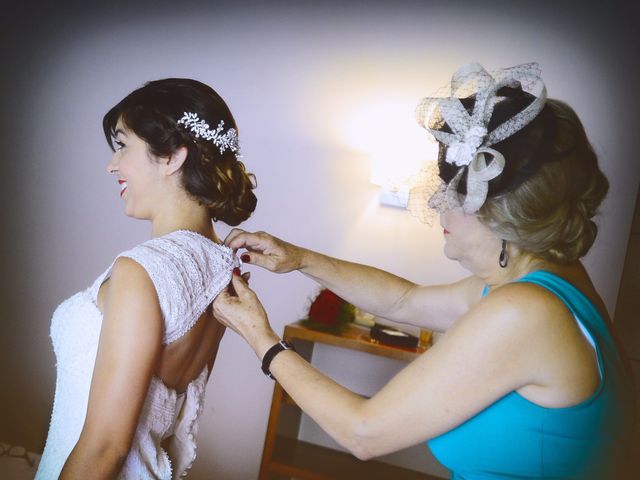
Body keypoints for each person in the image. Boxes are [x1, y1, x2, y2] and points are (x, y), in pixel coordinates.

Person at [212, 63, 637, 479]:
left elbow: (363, 432)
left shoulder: (525, 312)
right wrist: (299, 258)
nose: (441, 206)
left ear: (502, 216)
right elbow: (404, 300)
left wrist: (260, 337)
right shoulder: (549, 282)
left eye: (456, 195)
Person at [36, 78, 256, 479]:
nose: (111, 164)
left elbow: (105, 447)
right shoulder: (224, 267)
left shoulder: (141, 271)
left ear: (172, 156)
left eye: (122, 145)